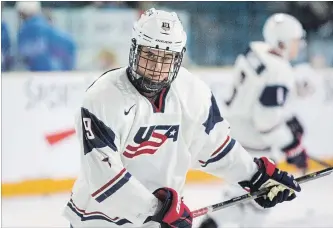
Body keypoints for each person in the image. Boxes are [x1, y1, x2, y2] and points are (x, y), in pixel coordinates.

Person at [63, 9, 301, 228]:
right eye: (149, 54)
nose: (157, 66)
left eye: (167, 58)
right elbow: (103, 176)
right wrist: (157, 209)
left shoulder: (193, 93)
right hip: (98, 220)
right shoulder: (102, 97)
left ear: (178, 58)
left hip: (158, 221)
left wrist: (254, 175)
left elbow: (216, 147)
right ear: (134, 49)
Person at [199, 13, 311, 228]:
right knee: (262, 202)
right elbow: (266, 122)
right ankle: (214, 223)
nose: (299, 46)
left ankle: (212, 223)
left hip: (234, 135)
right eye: (296, 41)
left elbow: (259, 94)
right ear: (282, 42)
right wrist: (292, 146)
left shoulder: (255, 51)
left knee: (242, 195)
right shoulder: (280, 69)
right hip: (256, 144)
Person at [16, 1, 76, 71]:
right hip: (52, 72)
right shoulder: (45, 28)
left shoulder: (23, 32)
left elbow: (23, 57)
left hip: (37, 73)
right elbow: (70, 44)